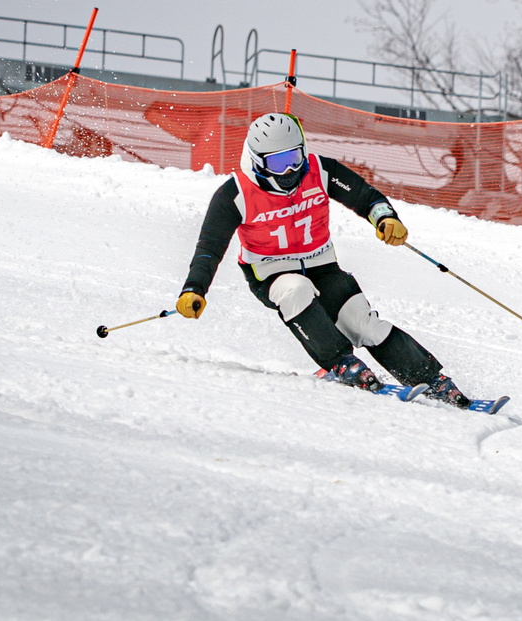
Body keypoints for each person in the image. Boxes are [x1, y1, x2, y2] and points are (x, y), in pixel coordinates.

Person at [174, 112, 472, 407]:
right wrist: (194, 289)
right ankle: (340, 363)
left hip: (323, 267)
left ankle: (433, 380)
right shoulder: (235, 194)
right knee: (296, 289)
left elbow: (366, 197)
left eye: (294, 156)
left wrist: (385, 219)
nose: (290, 169)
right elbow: (209, 249)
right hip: (271, 274)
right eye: (278, 162)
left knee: (364, 324)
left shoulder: (319, 170)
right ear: (257, 160)